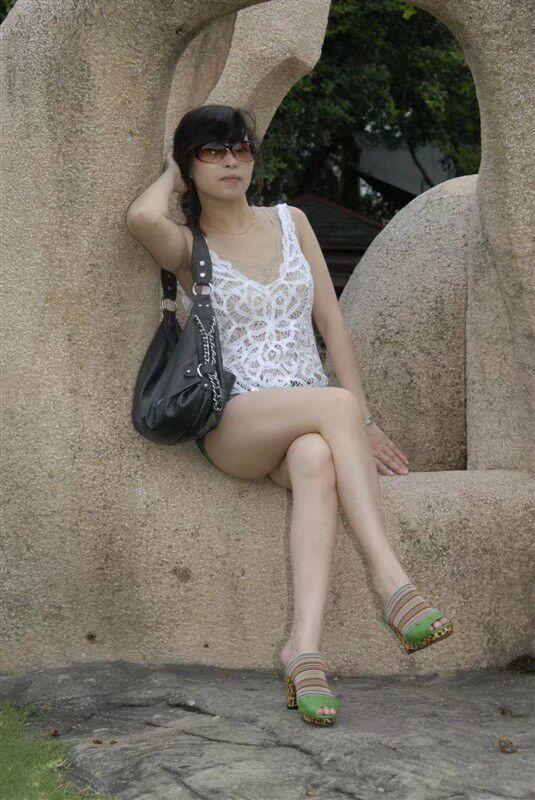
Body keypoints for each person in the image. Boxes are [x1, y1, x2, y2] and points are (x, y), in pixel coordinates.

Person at [126, 103, 454, 726]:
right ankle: (392, 583)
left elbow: (331, 323)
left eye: (241, 149)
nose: (231, 161)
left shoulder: (291, 220)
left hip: (308, 418)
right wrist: (170, 170)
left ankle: (302, 651)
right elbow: (141, 216)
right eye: (212, 151)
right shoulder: (190, 247)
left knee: (315, 458)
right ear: (191, 167)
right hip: (236, 422)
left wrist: (358, 422)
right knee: (336, 407)